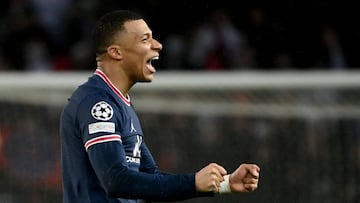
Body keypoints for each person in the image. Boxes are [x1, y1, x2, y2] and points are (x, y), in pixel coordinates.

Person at [60, 10, 260, 203]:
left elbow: (150, 179)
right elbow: (115, 180)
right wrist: (193, 183)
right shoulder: (96, 103)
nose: (158, 45)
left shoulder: (120, 102)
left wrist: (223, 184)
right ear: (116, 52)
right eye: (145, 39)